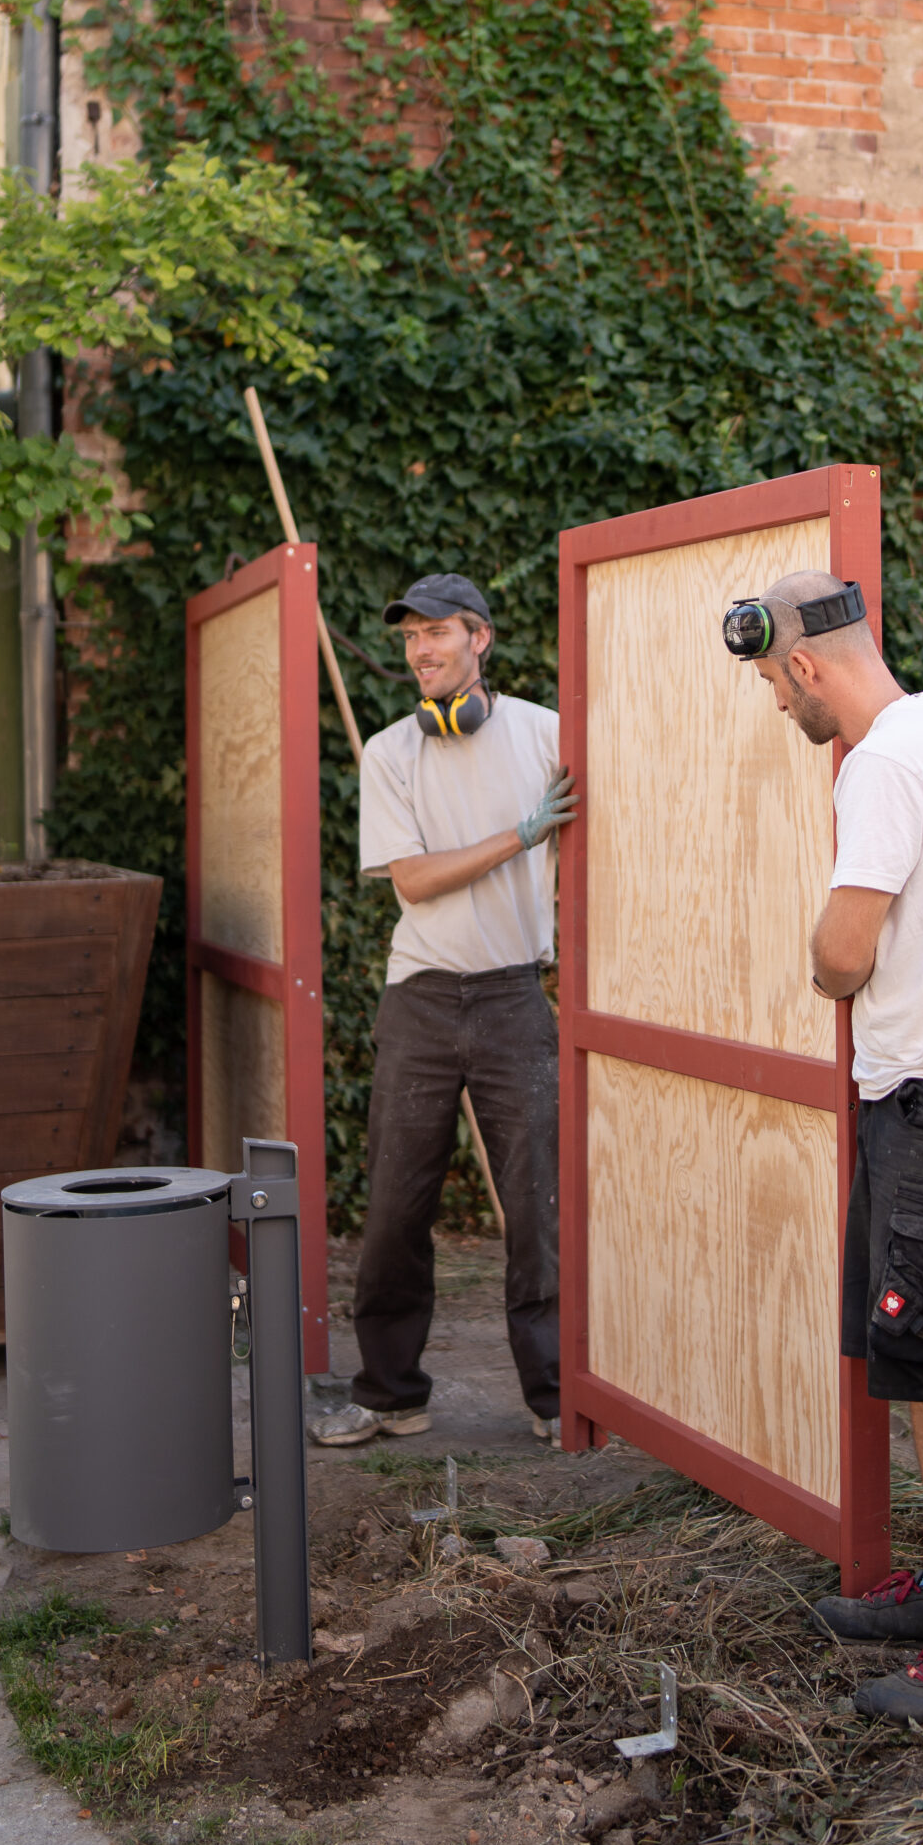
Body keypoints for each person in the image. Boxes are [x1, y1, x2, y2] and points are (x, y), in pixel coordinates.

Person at [723, 570, 923, 1725]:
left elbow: (843, 950)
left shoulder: (880, 764)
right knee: (912, 1352)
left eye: (769, 680)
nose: (774, 703)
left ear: (806, 665)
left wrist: (816, 960)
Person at [310, 573, 577, 1449]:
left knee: (539, 1206)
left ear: (480, 639)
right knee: (395, 1203)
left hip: (512, 997)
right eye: (409, 638)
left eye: (437, 634)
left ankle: (552, 1397)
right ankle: (390, 1394)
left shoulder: (547, 735)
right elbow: (415, 882)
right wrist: (521, 836)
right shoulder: (391, 753)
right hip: (421, 998)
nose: (420, 650)